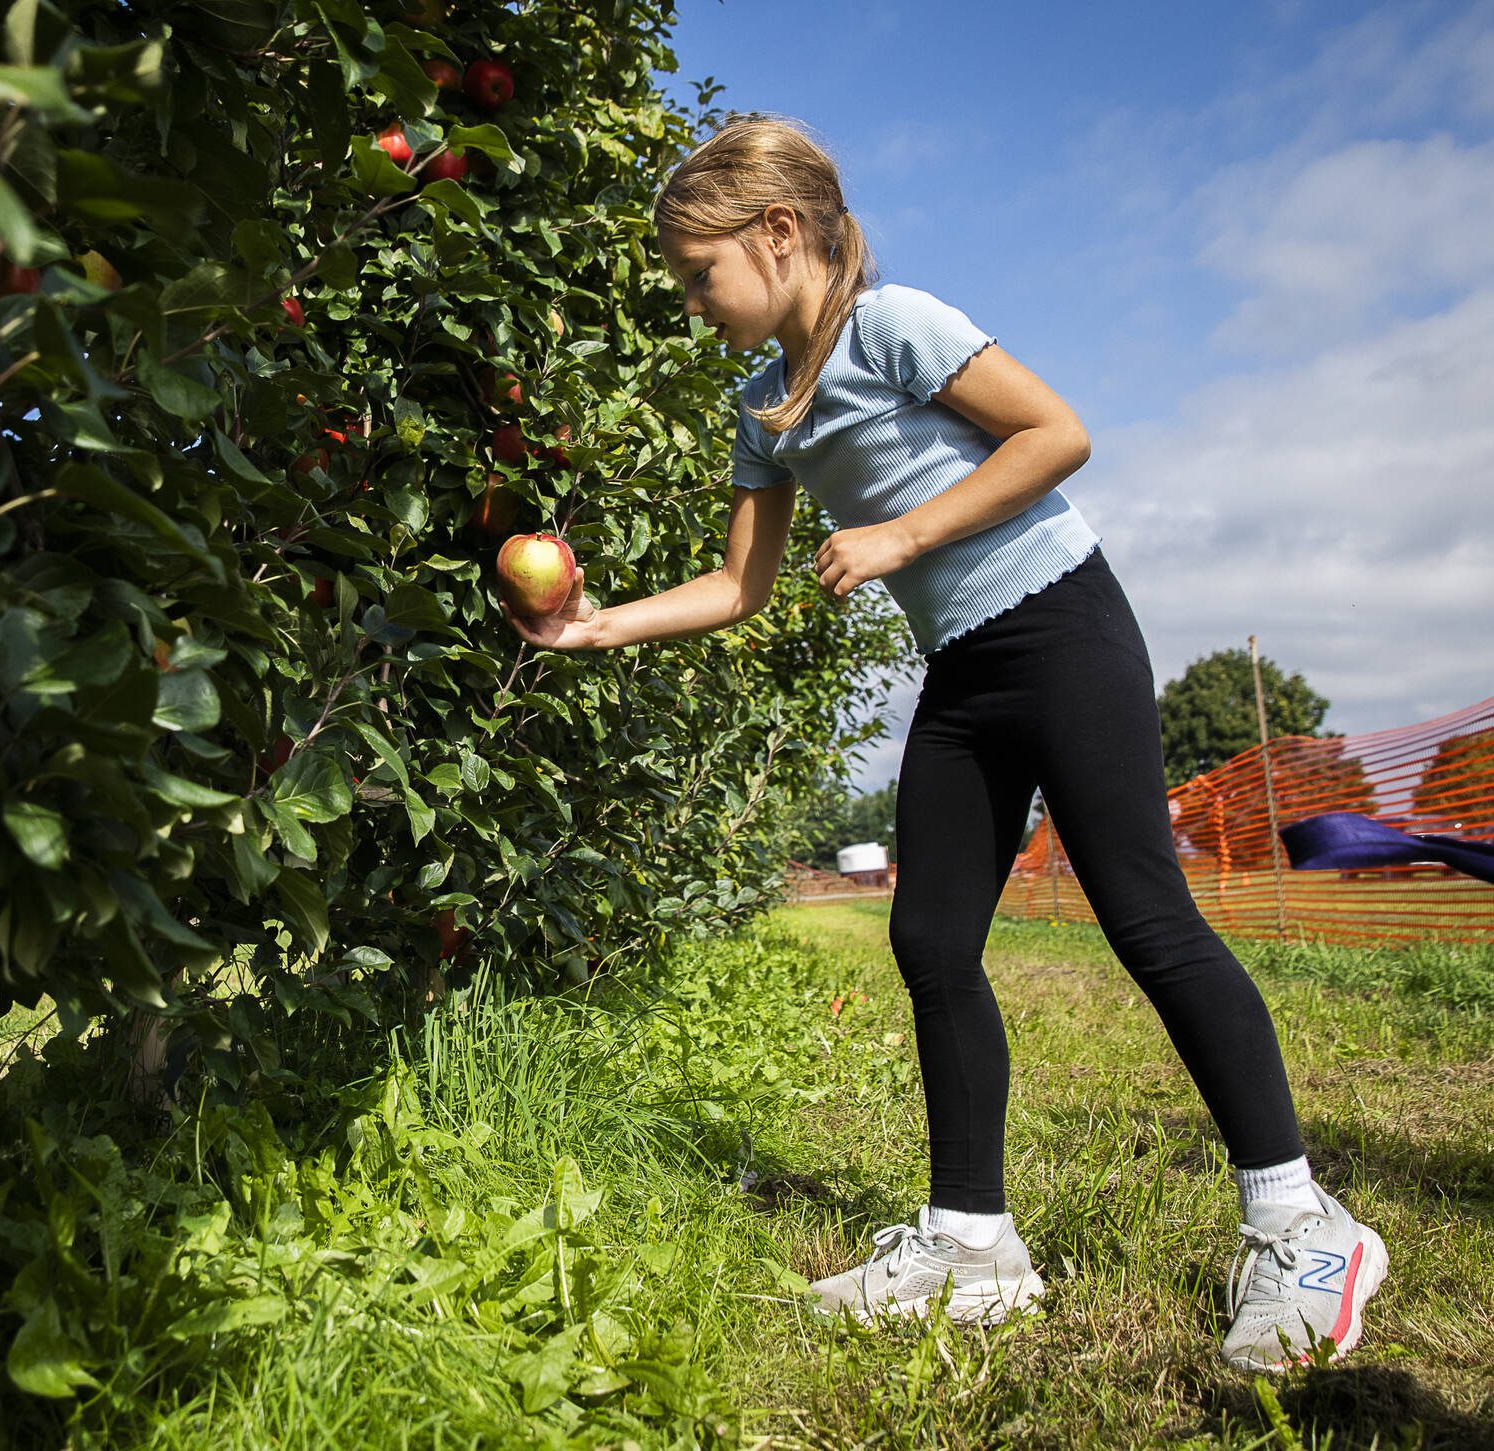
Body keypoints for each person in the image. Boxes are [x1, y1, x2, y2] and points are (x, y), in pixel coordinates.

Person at [501, 114, 1388, 1372]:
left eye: (699, 273)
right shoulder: (762, 404)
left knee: (1145, 916)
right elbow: (739, 583)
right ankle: (974, 1243)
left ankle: (1300, 1221)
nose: (690, 300)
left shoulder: (895, 322)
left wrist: (899, 539)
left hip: (1064, 625)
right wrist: (599, 627)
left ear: (778, 234)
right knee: (928, 937)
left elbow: (1054, 434)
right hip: (965, 666)